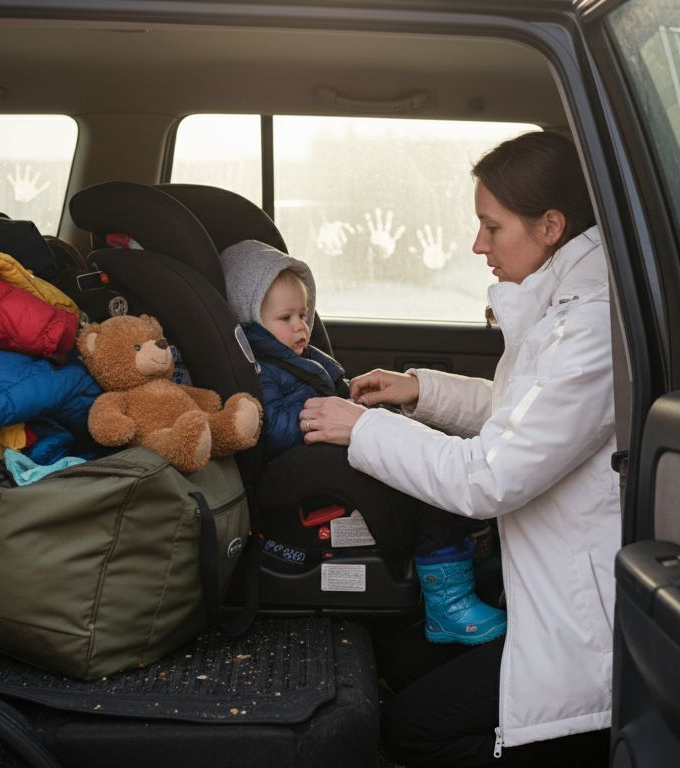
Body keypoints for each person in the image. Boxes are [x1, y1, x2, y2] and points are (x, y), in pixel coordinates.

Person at [297, 131, 618, 766]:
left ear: (550, 226)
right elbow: (519, 414)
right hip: (541, 578)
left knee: (412, 731)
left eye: (491, 227)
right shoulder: (564, 307)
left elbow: (487, 476)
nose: (478, 245)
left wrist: (359, 428)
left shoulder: (588, 328)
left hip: (580, 622)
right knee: (402, 656)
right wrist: (420, 392)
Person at [219, 239, 506, 645]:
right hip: (303, 465)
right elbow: (273, 428)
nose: (301, 326)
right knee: (428, 490)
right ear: (251, 319)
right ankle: (448, 602)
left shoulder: (297, 356)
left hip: (328, 442)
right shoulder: (262, 371)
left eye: (303, 314)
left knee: (431, 450)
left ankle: (460, 563)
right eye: (285, 317)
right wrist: (323, 411)